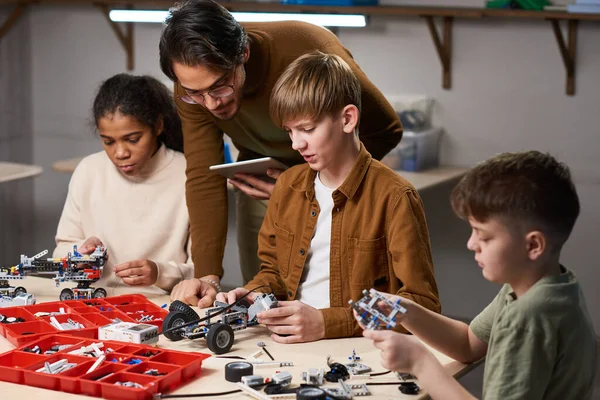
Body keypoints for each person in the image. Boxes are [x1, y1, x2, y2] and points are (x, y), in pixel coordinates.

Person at [159, 0, 404, 307]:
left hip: (332, 185)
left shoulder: (307, 48)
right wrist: (207, 276)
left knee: (336, 300)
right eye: (195, 94)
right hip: (263, 184)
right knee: (264, 301)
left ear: (243, 54)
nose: (210, 104)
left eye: (220, 87)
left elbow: (386, 130)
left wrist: (310, 189)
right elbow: (202, 176)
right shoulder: (190, 87)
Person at [215, 51, 439, 344]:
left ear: (347, 119)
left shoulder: (395, 197)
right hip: (292, 344)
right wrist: (253, 294)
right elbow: (274, 274)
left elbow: (421, 305)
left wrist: (327, 323)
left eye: (307, 129)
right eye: (290, 131)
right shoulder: (288, 186)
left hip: (361, 349)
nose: (297, 143)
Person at [361, 151, 598, 399]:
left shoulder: (527, 319)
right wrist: (404, 311)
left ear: (533, 246)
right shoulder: (551, 287)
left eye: (483, 236)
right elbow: (468, 344)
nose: (471, 244)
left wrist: (420, 363)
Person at [54, 74, 194, 294]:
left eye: (133, 139)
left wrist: (160, 272)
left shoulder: (188, 175)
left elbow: (205, 274)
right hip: (94, 300)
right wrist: (79, 254)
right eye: (108, 142)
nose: (120, 153)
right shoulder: (89, 170)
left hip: (158, 305)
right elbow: (61, 251)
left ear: (157, 126)